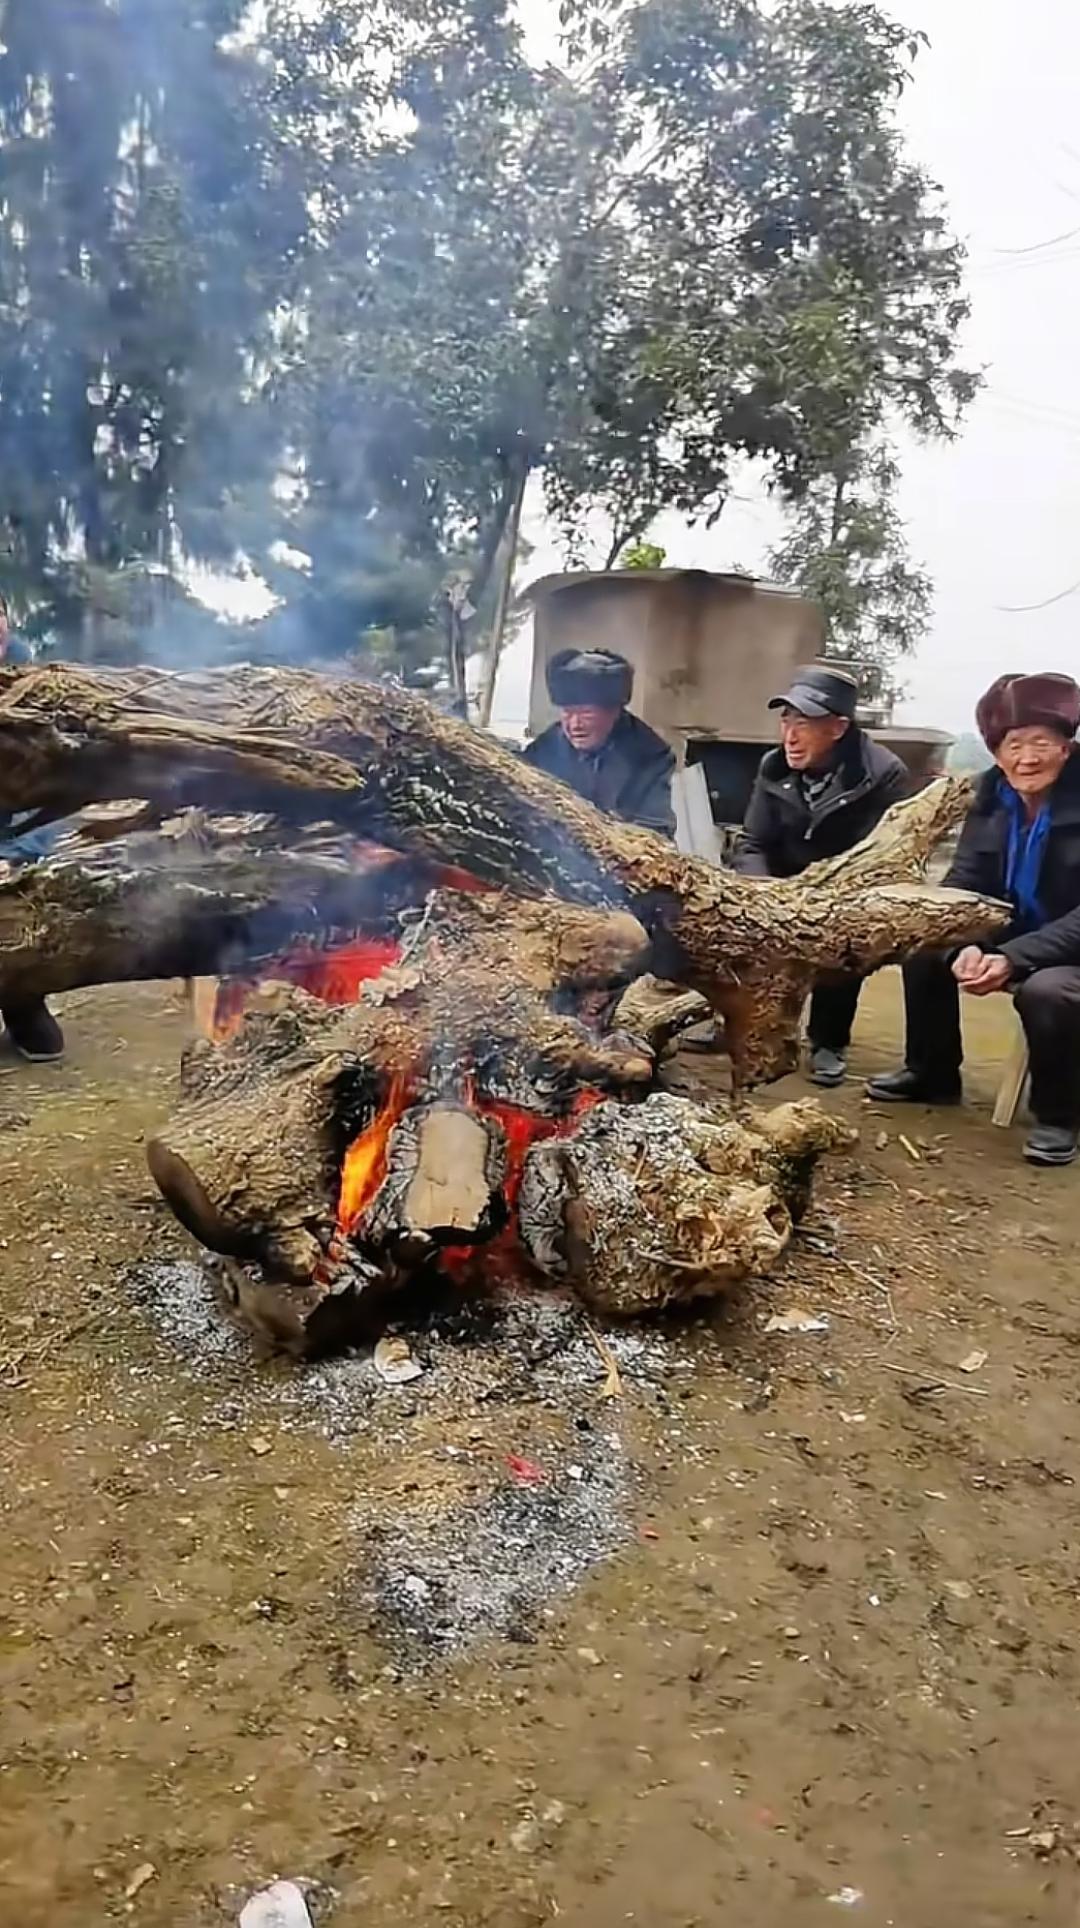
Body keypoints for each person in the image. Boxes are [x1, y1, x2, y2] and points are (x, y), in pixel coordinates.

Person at [867, 671, 1080, 1166]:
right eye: (1013, 744)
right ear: (996, 751)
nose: (1026, 758)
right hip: (1014, 932)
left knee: (1048, 991)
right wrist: (966, 940)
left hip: (1070, 949)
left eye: (1040, 743)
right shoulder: (989, 796)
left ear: (1067, 747)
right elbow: (966, 880)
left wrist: (1010, 957)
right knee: (926, 948)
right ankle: (932, 1073)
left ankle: (1057, 1115)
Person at [733, 663, 907, 1087]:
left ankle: (829, 1040)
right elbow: (752, 843)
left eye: (805, 723)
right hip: (783, 882)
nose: (790, 736)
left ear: (838, 727)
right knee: (732, 912)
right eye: (786, 720)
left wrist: (822, 901)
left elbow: (880, 858)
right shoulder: (773, 767)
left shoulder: (881, 775)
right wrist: (763, 892)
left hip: (847, 884)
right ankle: (737, 1019)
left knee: (847, 932)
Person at [522, 648, 676, 836]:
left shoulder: (650, 755)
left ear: (615, 711)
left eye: (586, 713)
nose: (574, 725)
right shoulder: (545, 748)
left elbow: (656, 830)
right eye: (567, 713)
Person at [0, 615, 65, 1061]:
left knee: (44, 1045)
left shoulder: (36, 695)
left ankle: (22, 1003)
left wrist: (15, 854)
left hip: (9, 845)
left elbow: (48, 797)